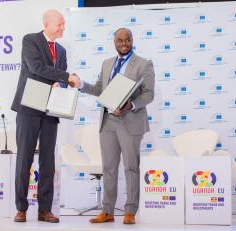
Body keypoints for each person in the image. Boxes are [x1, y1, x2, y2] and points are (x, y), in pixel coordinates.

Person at [77, 28, 155, 224]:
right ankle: (108, 210)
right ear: (114, 42)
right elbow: (98, 89)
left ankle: (130, 211)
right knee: (109, 168)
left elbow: (149, 94)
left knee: (131, 167)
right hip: (108, 121)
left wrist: (132, 105)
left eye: (127, 40)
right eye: (120, 40)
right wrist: (80, 85)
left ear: (132, 40)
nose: (124, 44)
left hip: (130, 121)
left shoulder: (144, 64)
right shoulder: (107, 64)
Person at [11, 9, 78, 223]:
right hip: (29, 106)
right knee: (25, 159)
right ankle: (21, 208)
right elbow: (36, 68)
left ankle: (44, 210)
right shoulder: (30, 40)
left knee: (48, 161)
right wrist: (67, 76)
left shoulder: (62, 50)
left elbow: (60, 78)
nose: (62, 28)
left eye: (63, 24)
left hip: (51, 109)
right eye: (59, 24)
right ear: (47, 24)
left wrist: (63, 82)